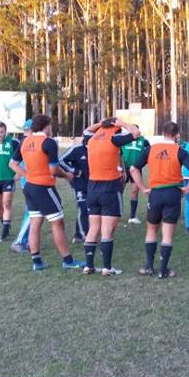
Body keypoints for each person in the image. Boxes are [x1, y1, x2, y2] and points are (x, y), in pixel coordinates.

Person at [8, 114, 84, 272]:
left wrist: (26, 175)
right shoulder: (49, 142)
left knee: (35, 223)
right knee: (57, 223)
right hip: (44, 188)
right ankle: (68, 261)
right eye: (50, 125)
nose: (52, 128)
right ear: (46, 126)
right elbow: (54, 170)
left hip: (29, 187)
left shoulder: (25, 141)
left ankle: (36, 261)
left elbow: (13, 164)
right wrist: (67, 175)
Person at [129, 121, 189, 278]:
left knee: (152, 230)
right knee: (167, 234)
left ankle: (148, 267)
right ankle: (163, 269)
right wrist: (187, 189)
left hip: (155, 194)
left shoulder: (151, 149)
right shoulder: (179, 151)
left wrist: (143, 188)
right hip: (173, 194)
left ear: (162, 133)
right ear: (177, 135)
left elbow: (133, 168)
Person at [81, 116, 142, 275]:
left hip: (92, 187)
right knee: (107, 230)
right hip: (109, 186)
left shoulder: (91, 138)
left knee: (93, 228)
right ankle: (107, 268)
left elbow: (86, 130)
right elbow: (136, 133)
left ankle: (89, 266)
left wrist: (100, 124)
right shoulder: (114, 138)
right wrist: (122, 123)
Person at [10, 119, 33, 254]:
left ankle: (27, 241)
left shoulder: (24, 141)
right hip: (30, 181)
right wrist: (24, 175)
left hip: (27, 180)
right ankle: (19, 242)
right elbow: (15, 163)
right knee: (32, 212)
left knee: (31, 212)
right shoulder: (27, 142)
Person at [59, 137, 89, 244]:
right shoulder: (77, 149)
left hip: (94, 185)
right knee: (83, 208)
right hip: (79, 185)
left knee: (87, 209)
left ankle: (78, 235)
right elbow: (61, 160)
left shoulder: (98, 149)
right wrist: (74, 171)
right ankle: (86, 237)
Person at [120, 132, 151, 225]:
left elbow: (149, 151)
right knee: (119, 191)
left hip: (136, 169)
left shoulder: (144, 141)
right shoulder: (123, 140)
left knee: (135, 191)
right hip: (124, 168)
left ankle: (132, 216)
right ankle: (116, 214)